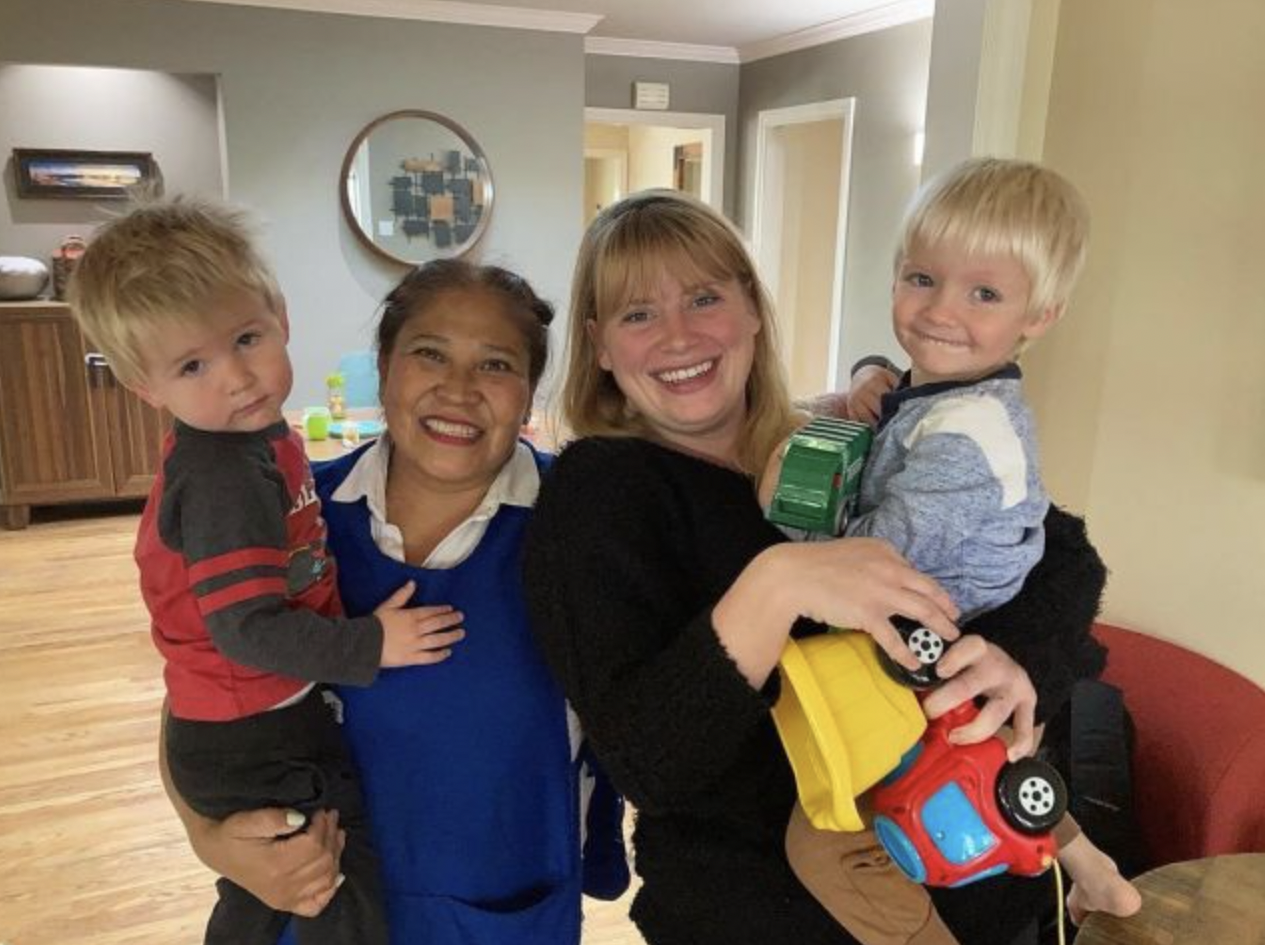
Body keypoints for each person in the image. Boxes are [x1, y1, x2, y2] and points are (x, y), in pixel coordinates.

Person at [523, 188, 1111, 945]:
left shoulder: (822, 441)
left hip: (984, 879)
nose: (677, 335)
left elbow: (1063, 550)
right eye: (639, 314)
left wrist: (1013, 657)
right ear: (601, 344)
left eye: (704, 298)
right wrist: (777, 583)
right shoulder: (598, 491)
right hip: (763, 916)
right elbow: (649, 763)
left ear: (751, 310)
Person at [157, 255, 628, 945]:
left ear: (529, 396)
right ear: (382, 368)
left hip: (500, 914)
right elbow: (197, 696)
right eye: (428, 353)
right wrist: (210, 838)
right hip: (313, 912)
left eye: (495, 365)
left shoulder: (584, 527)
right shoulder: (286, 517)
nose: (458, 388)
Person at [70, 197, 471, 945]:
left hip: (245, 724)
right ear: (145, 387)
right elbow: (247, 628)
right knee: (334, 890)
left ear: (280, 317)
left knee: (279, 897)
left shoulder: (257, 442)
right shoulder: (224, 474)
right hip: (251, 734)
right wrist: (369, 645)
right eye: (193, 365)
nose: (236, 378)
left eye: (246, 338)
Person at [759, 158, 1142, 944]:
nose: (939, 311)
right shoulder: (952, 390)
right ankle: (1093, 868)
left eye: (984, 294)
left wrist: (785, 508)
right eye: (920, 277)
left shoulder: (965, 443)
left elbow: (867, 562)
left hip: (932, 637)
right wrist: (870, 376)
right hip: (954, 621)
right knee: (995, 766)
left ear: (1039, 314)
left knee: (826, 842)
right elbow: (899, 390)